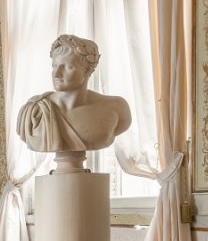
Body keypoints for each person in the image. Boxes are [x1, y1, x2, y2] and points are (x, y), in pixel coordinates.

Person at [16, 34, 131, 172]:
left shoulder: (116, 108)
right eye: (54, 66)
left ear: (88, 70)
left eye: (68, 67)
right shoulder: (34, 111)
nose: (56, 74)